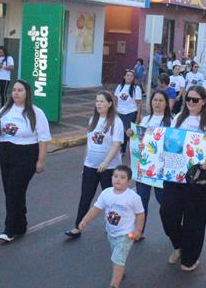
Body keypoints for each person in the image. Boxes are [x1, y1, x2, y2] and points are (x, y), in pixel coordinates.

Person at [161, 86, 206, 271]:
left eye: (195, 99)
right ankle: (179, 245)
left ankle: (190, 258)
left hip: (200, 176)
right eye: (188, 99)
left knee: (195, 218)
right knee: (168, 212)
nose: (191, 102)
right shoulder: (178, 118)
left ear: (204, 101)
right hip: (175, 174)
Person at [0, 80, 51, 243]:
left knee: (14, 188)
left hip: (26, 153)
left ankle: (9, 228)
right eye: (14, 90)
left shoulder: (36, 113)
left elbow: (44, 138)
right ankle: (20, 223)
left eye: (20, 90)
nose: (16, 93)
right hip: (6, 151)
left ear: (27, 93)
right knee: (11, 190)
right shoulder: (5, 110)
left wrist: (41, 161)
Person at [77, 164, 144, 288]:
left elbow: (140, 214)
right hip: (111, 232)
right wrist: (85, 220)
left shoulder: (133, 197)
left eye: (122, 177)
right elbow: (96, 208)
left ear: (128, 181)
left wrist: (138, 230)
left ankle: (113, 287)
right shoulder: (106, 193)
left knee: (117, 258)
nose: (118, 179)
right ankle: (120, 270)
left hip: (126, 234)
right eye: (115, 176)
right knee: (116, 256)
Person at [66, 91, 124, 238]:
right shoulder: (92, 120)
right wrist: (85, 163)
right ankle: (78, 227)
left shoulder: (116, 122)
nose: (99, 104)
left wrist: (105, 163)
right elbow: (89, 144)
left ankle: (114, 227)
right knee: (85, 197)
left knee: (111, 200)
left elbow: (116, 144)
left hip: (109, 168)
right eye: (97, 101)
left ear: (110, 104)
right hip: (90, 166)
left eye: (102, 101)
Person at [129, 90, 171, 235]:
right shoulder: (145, 120)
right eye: (155, 100)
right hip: (144, 167)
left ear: (166, 103)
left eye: (160, 100)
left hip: (161, 170)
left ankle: (175, 229)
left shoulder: (171, 121)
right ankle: (139, 231)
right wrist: (132, 134)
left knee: (164, 202)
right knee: (141, 200)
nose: (157, 103)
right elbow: (138, 139)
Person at [114, 70, 143, 156]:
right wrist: (115, 112)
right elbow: (115, 99)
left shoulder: (136, 88)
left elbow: (139, 103)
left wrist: (138, 116)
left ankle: (133, 151)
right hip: (120, 113)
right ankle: (122, 150)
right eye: (128, 75)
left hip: (131, 113)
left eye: (131, 76)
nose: (129, 77)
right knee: (121, 132)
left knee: (129, 133)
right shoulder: (119, 87)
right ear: (124, 77)